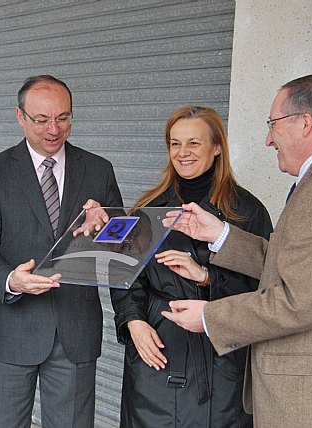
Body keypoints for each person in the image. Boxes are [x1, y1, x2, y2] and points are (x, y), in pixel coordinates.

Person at [161, 74, 312, 427]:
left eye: (273, 124)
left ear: (305, 123)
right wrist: (221, 235)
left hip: (309, 398)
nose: (268, 139)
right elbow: (292, 266)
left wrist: (209, 317)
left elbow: (298, 301)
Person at [0, 75, 123, 428]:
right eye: (41, 120)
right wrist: (10, 280)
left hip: (75, 328)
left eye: (63, 118)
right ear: (20, 116)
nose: (53, 130)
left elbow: (120, 251)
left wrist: (105, 228)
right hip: (11, 328)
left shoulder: (98, 170)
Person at [109, 106, 273, 427]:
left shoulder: (247, 211)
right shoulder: (149, 209)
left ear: (217, 147)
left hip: (220, 356)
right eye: (175, 143)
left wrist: (208, 278)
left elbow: (266, 287)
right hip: (157, 351)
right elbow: (123, 274)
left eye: (194, 143)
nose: (182, 152)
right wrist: (133, 322)